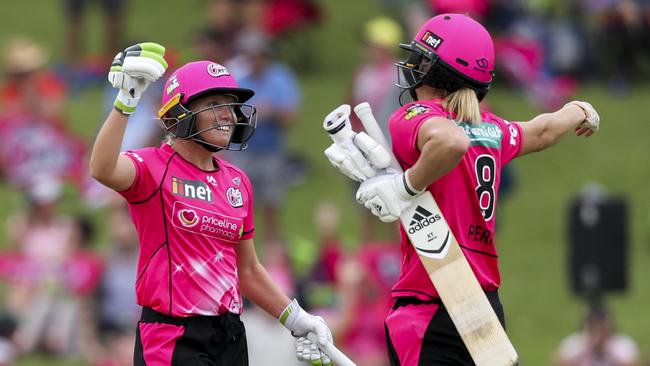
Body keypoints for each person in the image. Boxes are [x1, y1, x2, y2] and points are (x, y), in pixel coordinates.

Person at [325, 14, 600, 365]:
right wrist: (580, 109)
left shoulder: (416, 115)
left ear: (440, 72)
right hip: (484, 305)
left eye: (423, 60)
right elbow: (544, 129)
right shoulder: (492, 127)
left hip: (428, 302)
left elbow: (451, 141)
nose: (413, 66)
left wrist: (406, 186)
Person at [89, 43, 334, 365]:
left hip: (230, 333)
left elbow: (247, 269)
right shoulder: (152, 167)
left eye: (231, 105)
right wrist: (126, 102)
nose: (228, 114)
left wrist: (297, 319)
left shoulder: (237, 181)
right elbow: (102, 168)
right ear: (180, 113)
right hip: (173, 334)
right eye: (214, 103)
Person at [555, 305, 640, 366]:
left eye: (601, 326)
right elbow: (558, 363)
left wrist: (605, 351)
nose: (597, 330)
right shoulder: (574, 343)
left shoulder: (622, 344)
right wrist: (587, 349)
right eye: (593, 325)